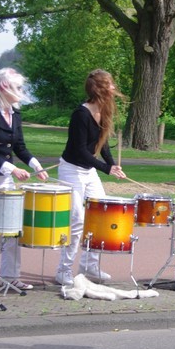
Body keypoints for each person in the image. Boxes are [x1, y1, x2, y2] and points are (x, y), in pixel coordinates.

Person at [0, 68, 49, 293]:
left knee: (13, 228)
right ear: (4, 87)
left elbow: (19, 146)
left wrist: (36, 165)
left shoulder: (15, 114)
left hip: (3, 178)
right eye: (18, 87)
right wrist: (13, 169)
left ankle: (11, 276)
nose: (21, 91)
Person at [54, 69, 127, 287]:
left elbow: (102, 143)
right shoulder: (81, 114)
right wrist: (106, 169)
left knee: (100, 215)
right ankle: (63, 270)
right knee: (77, 220)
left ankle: (89, 265)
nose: (113, 88)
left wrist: (112, 164)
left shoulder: (103, 111)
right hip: (71, 170)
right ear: (101, 89)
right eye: (110, 84)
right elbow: (80, 151)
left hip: (88, 170)